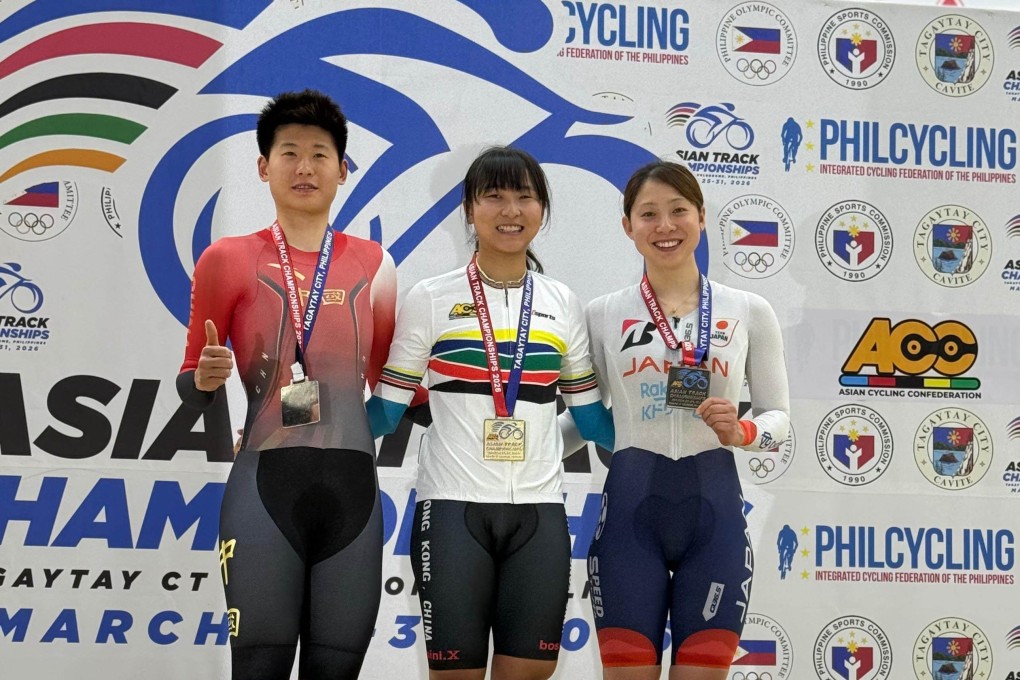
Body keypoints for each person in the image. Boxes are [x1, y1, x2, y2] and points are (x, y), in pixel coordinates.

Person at [367, 146, 613, 680]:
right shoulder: (431, 298)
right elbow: (386, 412)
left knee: (528, 673)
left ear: (542, 210)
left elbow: (590, 421)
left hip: (540, 512)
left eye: (525, 196)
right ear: (469, 209)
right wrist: (298, 436)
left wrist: (665, 444)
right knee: (457, 676)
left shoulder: (562, 301)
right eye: (494, 196)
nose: (511, 210)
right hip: (453, 510)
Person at [177, 89, 397, 680]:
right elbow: (190, 385)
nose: (305, 167)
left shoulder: (375, 263)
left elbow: (397, 394)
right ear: (263, 166)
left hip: (355, 491)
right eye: (290, 152)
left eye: (321, 154)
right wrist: (203, 379)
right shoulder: (228, 258)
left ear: (343, 170)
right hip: (261, 488)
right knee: (258, 668)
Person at [584, 160, 790, 680]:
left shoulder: (749, 310)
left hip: (713, 516)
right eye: (648, 214)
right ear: (627, 226)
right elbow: (585, 414)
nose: (665, 226)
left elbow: (779, 417)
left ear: (701, 216)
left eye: (678, 210)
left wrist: (742, 430)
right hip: (631, 515)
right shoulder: (603, 312)